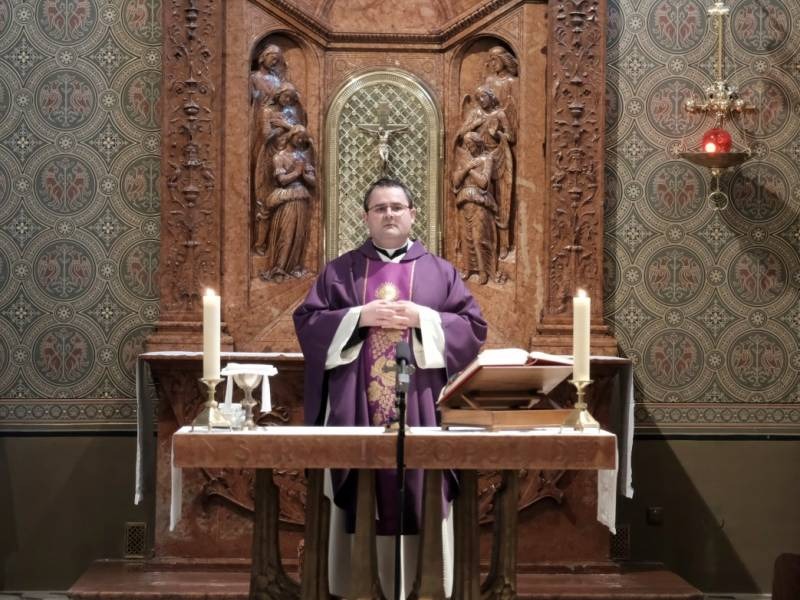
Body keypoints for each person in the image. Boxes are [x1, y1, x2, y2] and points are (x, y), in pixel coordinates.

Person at [293, 178, 487, 598]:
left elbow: (472, 329)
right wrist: (358, 317)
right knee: (361, 488)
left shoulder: (441, 273)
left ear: (412, 214)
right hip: (356, 411)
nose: (389, 215)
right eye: (379, 208)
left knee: (422, 488)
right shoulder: (340, 271)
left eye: (397, 207)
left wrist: (423, 319)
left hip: (421, 409)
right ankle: (358, 586)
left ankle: (425, 585)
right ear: (365, 217)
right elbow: (308, 324)